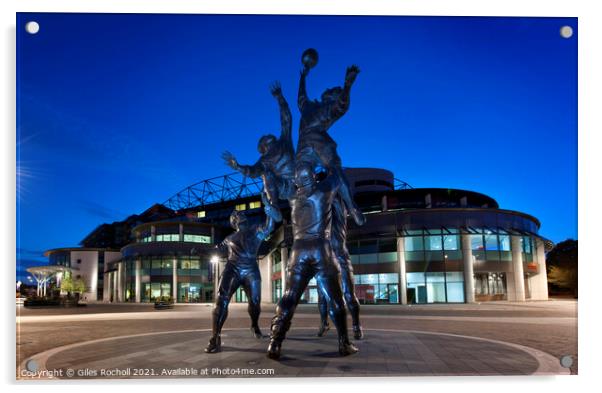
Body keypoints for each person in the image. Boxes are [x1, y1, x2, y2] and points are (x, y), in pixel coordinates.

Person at [267, 163, 358, 359]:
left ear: (297, 181)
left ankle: (275, 342)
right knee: (336, 299)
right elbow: (336, 171)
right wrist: (326, 160)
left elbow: (275, 182)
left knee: (289, 296)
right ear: (314, 177)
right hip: (320, 248)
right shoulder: (323, 191)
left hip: (298, 250)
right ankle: (344, 343)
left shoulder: (292, 197)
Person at [296, 63, 365, 228]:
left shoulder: (330, 108)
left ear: (333, 97)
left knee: (335, 170)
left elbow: (342, 106)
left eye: (334, 90)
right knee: (299, 177)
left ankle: (352, 207)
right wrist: (303, 77)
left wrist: (347, 86)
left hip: (321, 142)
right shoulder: (309, 107)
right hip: (303, 146)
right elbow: (301, 98)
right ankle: (308, 215)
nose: (329, 88)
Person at [205, 194, 275, 353]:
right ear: (234, 222)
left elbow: (270, 226)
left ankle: (254, 325)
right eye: (236, 215)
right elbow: (216, 249)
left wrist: (269, 209)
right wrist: (201, 250)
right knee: (221, 300)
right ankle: (215, 337)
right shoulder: (229, 238)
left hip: (251, 269)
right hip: (233, 269)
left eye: (241, 213)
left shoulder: (256, 229)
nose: (240, 214)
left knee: (255, 302)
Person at [223, 82, 294, 223]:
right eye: (266, 136)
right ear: (263, 146)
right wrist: (237, 166)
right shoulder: (264, 160)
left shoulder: (284, 141)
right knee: (265, 176)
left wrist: (280, 97)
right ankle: (275, 209)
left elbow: (286, 118)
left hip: (301, 177)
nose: (269, 134)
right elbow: (252, 171)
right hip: (286, 187)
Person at [316, 195, 363, 339]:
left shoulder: (338, 205)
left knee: (349, 294)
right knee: (322, 297)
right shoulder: (321, 216)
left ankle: (356, 325)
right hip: (324, 259)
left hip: (340, 256)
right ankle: (324, 323)